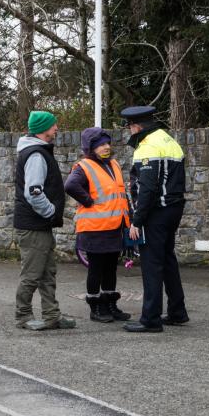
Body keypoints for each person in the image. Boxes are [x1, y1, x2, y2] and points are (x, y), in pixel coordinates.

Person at [120, 106, 189, 333]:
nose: (130, 131)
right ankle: (177, 312)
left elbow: (147, 187)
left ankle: (150, 319)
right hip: (173, 208)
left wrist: (137, 221)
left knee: (151, 264)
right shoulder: (168, 140)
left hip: (155, 213)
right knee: (168, 259)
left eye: (130, 126)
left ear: (136, 126)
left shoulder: (147, 146)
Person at [13, 111, 76, 330]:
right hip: (33, 225)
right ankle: (23, 315)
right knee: (31, 274)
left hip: (39, 225)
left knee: (47, 272)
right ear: (43, 128)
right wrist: (50, 212)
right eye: (53, 125)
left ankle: (52, 315)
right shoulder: (36, 155)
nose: (57, 128)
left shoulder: (38, 152)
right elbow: (34, 192)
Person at [64, 127, 132, 323]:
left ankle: (110, 305)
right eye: (101, 144)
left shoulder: (114, 164)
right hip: (95, 227)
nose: (106, 147)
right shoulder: (84, 166)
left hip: (114, 225)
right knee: (96, 268)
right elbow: (70, 185)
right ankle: (95, 309)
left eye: (107, 143)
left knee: (111, 268)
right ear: (91, 148)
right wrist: (87, 200)